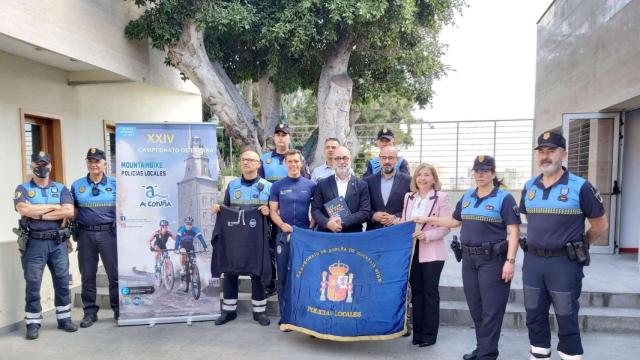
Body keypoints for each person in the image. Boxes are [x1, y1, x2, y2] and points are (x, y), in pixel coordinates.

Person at [419, 155, 521, 360]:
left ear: (493, 173)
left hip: (493, 260)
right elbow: (454, 222)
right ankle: (482, 348)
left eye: (484, 170)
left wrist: (510, 261)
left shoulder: (504, 198)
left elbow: (514, 232)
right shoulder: (467, 197)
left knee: (491, 309)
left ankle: (487, 354)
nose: (480, 174)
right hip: (469, 260)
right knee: (476, 308)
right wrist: (428, 218)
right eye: (477, 171)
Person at [520, 132, 608, 360]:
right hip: (533, 262)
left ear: (564, 154)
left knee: (566, 312)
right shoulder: (529, 186)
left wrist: (579, 244)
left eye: (551, 150)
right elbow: (532, 221)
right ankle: (539, 352)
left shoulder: (581, 187)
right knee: (533, 312)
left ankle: (570, 353)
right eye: (541, 151)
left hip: (564, 263)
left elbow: (600, 225)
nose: (545, 156)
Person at [14, 152, 78, 340]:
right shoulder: (23, 188)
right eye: (38, 164)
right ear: (32, 166)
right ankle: (33, 323)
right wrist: (54, 208)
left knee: (62, 281)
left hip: (57, 242)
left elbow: (69, 211)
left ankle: (64, 319)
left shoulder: (60, 188)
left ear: (51, 167)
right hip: (34, 243)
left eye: (45, 164)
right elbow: (23, 209)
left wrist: (38, 213)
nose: (42, 168)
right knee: (33, 284)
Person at [211, 150, 271, 326]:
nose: (246, 163)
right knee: (230, 270)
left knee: (257, 271)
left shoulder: (268, 186)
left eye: (250, 160)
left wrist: (268, 211)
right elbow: (227, 207)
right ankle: (228, 311)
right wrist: (219, 208)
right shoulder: (233, 186)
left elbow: (275, 211)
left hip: (257, 236)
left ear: (258, 164)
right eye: (243, 159)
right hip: (235, 236)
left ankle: (259, 312)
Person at [400, 163, 450, 347]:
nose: (422, 178)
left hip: (432, 251)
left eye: (427, 175)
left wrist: (426, 235)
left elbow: (445, 226)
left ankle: (429, 335)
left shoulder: (441, 197)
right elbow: (405, 222)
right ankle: (418, 333)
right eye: (419, 175)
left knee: (430, 292)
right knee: (417, 292)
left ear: (434, 179)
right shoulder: (409, 197)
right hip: (412, 250)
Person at [70, 148, 118, 327]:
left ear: (105, 163)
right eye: (90, 161)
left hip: (109, 234)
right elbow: (72, 211)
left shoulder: (115, 184)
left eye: (97, 161)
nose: (93, 164)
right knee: (87, 276)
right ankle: (90, 312)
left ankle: (118, 310)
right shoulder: (77, 185)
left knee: (114, 275)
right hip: (85, 234)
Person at [268, 149, 316, 327]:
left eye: (296, 161)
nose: (294, 165)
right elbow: (273, 211)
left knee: (305, 275)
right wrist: (281, 225)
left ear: (301, 163)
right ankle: (285, 316)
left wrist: (309, 229)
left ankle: (305, 316)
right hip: (283, 236)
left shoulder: (311, 185)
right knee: (283, 277)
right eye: (290, 162)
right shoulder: (277, 186)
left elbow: (316, 211)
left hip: (305, 238)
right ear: (285, 164)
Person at [311, 146, 371, 233]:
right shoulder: (322, 184)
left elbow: (365, 212)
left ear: (350, 160)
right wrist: (327, 223)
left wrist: (343, 222)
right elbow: (315, 210)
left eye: (345, 158)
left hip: (352, 235)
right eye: (337, 158)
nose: (341, 161)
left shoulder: (362, 185)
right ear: (333, 161)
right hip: (327, 235)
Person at [365, 145, 411, 231]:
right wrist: (373, 215)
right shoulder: (368, 181)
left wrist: (395, 217)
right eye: (383, 158)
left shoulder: (408, 181)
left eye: (390, 158)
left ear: (397, 160)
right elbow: (363, 207)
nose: (387, 161)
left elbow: (412, 207)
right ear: (379, 159)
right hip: (374, 232)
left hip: (398, 231)